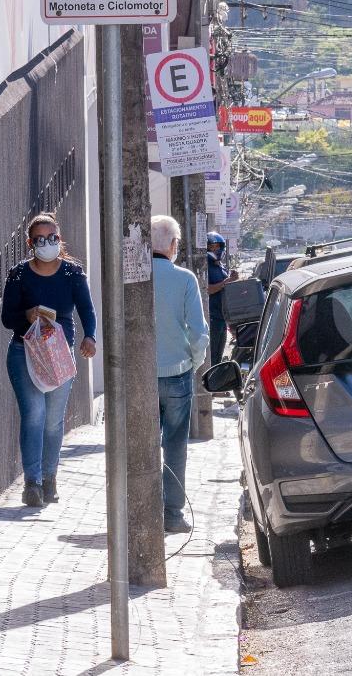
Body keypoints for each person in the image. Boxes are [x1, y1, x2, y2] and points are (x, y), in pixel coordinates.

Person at [1, 213, 98, 508]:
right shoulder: (19, 274)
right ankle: (32, 483)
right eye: (40, 239)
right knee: (34, 416)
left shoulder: (73, 274)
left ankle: (49, 478)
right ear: (31, 243)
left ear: (59, 239)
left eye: (52, 238)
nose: (47, 244)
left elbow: (86, 311)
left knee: (54, 422)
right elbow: (7, 318)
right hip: (24, 352)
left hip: (59, 355)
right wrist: (27, 316)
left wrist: (89, 337)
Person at [152, 215, 209, 534]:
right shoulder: (186, 279)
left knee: (142, 444)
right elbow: (199, 333)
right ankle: (172, 514)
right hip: (178, 374)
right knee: (175, 444)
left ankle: (143, 509)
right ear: (173, 245)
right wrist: (193, 362)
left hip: (140, 376)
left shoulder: (133, 275)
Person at [205, 231, 238, 366]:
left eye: (217, 247)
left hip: (222, 316)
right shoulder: (205, 265)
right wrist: (227, 281)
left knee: (219, 354)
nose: (215, 249)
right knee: (212, 356)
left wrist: (233, 279)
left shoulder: (219, 265)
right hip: (212, 317)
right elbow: (207, 289)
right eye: (212, 247)